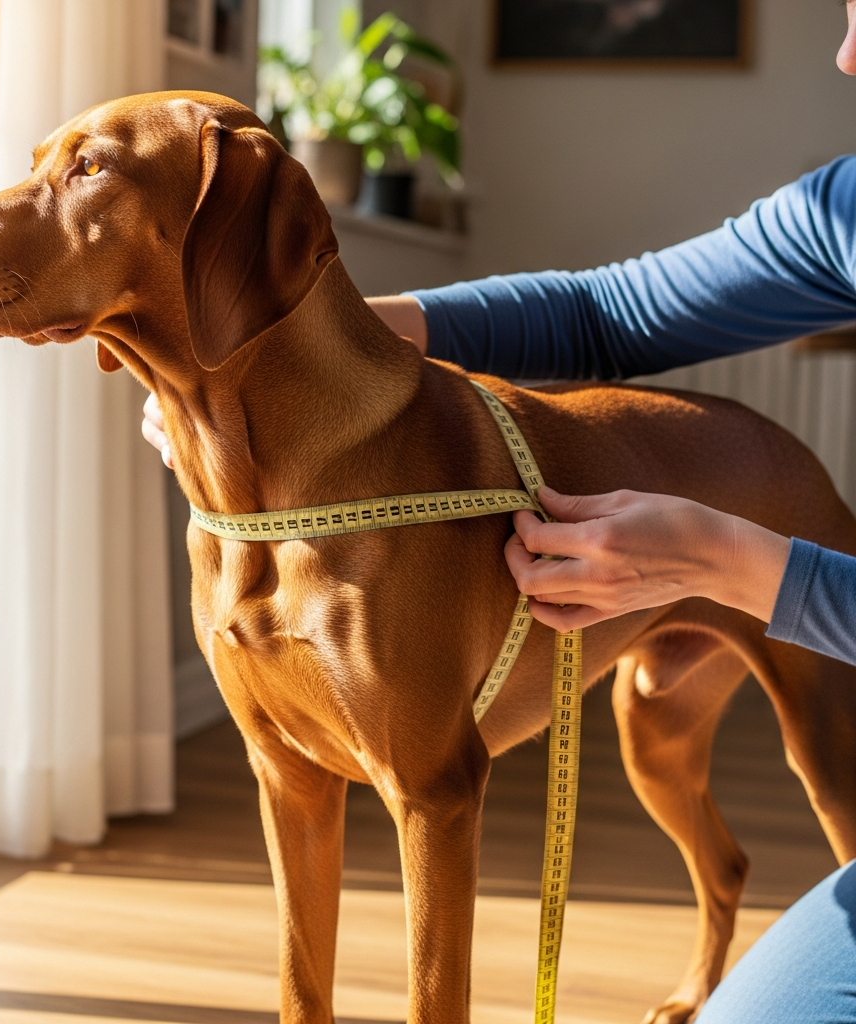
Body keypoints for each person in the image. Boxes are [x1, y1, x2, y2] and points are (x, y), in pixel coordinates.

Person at [141, 6, 856, 1020]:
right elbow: (599, 314)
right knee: (664, 761)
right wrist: (321, 346)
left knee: (838, 780)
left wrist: (726, 559)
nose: (847, 55)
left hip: (772, 538)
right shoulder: (845, 212)